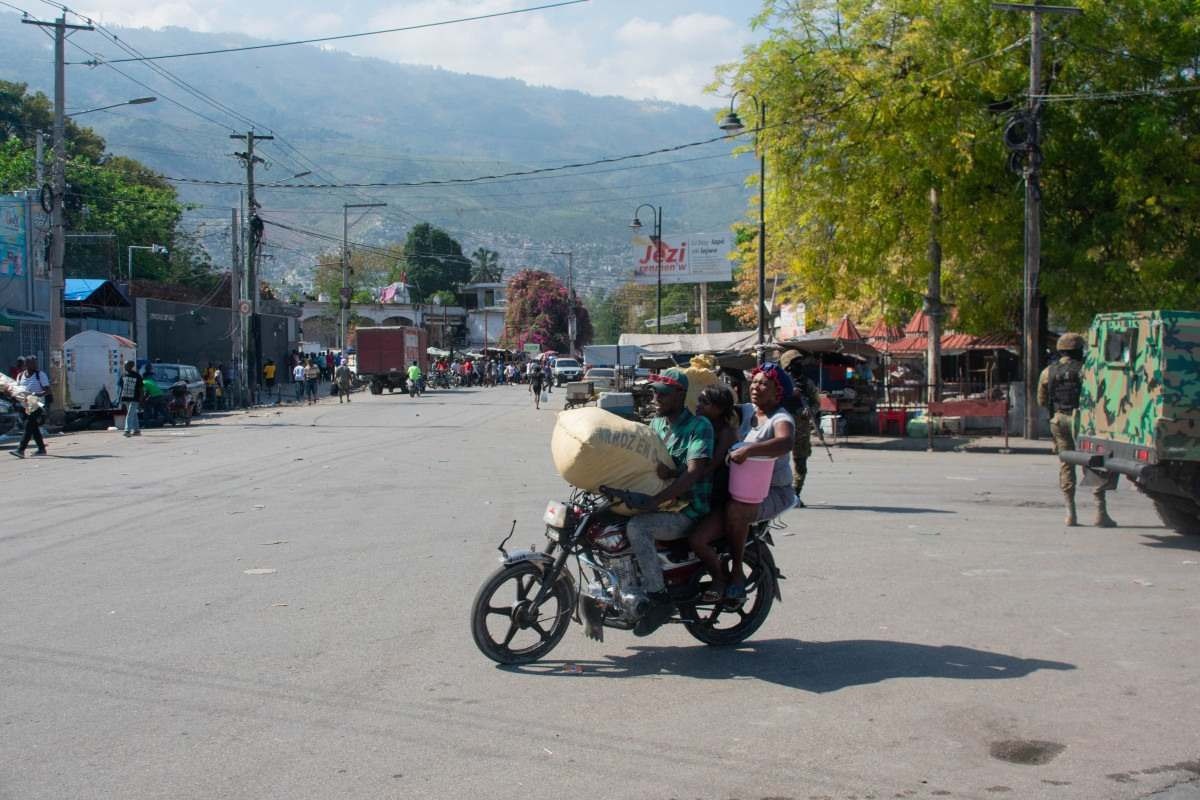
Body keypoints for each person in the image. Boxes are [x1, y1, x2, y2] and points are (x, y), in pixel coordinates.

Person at [690, 362, 796, 602]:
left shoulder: (780, 418)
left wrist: (750, 450)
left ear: (777, 391)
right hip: (737, 488)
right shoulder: (747, 410)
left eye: (764, 384)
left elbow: (785, 442)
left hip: (770, 492)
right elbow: (718, 409)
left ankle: (736, 572)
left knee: (736, 511)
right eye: (755, 382)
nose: (756, 387)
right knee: (697, 537)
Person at [624, 368, 714, 635]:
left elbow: (694, 472)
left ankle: (659, 598)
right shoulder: (656, 425)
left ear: (680, 394)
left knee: (638, 528)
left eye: (662, 392)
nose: (655, 397)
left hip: (688, 508)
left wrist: (655, 501)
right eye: (653, 391)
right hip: (663, 502)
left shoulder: (699, 426)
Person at [1039, 332, 1115, 528]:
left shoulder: (1048, 371)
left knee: (1066, 464)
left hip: (1059, 420)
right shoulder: (1086, 370)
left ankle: (1070, 514)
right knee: (1093, 462)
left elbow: (1041, 400)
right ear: (1079, 350)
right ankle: (1100, 513)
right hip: (1083, 420)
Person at [779, 349, 822, 507]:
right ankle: (778, 495)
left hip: (801, 427)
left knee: (801, 462)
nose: (798, 366)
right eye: (794, 363)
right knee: (776, 463)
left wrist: (809, 410)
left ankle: (795, 494)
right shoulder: (779, 383)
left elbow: (816, 402)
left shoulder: (806, 383)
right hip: (781, 427)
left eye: (799, 363)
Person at [11, 356, 50, 457]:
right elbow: (17, 390)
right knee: (33, 427)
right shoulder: (20, 376)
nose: (35, 365)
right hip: (25, 405)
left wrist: (36, 394)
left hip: (36, 404)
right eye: (32, 363)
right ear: (26, 365)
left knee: (28, 426)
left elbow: (47, 390)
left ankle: (20, 450)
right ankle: (41, 449)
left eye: (35, 363)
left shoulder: (40, 375)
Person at [119, 360, 145, 438]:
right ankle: (137, 430)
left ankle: (127, 430)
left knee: (130, 414)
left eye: (126, 365)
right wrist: (120, 398)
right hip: (126, 397)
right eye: (124, 365)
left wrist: (141, 398)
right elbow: (121, 387)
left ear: (130, 366)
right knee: (133, 414)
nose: (124, 366)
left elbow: (141, 388)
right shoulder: (123, 375)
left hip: (135, 398)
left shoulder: (137, 376)